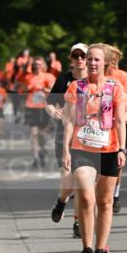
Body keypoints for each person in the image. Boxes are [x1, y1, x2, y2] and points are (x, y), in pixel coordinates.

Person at [62, 44, 127, 253]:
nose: (91, 63)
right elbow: (69, 120)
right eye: (89, 59)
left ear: (105, 63)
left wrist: (122, 148)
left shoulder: (115, 87)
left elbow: (120, 121)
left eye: (96, 60)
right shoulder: (76, 87)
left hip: (109, 149)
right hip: (82, 149)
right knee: (87, 198)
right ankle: (86, 249)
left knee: (105, 201)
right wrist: (65, 149)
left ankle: (101, 250)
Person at [48, 43, 88, 237]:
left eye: (83, 56)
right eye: (76, 56)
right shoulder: (63, 79)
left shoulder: (95, 80)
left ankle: (78, 222)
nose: (80, 59)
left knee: (81, 180)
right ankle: (62, 200)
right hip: (64, 133)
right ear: (71, 59)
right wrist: (54, 111)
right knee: (68, 177)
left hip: (88, 135)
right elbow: (49, 103)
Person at [104, 45, 127, 212]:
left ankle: (114, 194)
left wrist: (119, 120)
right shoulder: (83, 83)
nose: (113, 64)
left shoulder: (119, 79)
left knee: (116, 167)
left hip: (115, 132)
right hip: (91, 139)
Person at [24, 56, 55, 168]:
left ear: (43, 66)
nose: (37, 66)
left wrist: (44, 89)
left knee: (42, 134)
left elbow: (54, 90)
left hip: (44, 107)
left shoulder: (48, 76)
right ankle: (35, 158)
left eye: (39, 64)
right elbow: (24, 90)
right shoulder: (28, 77)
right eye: (35, 64)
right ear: (33, 66)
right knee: (33, 133)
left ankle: (42, 149)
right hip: (31, 107)